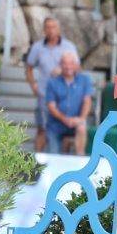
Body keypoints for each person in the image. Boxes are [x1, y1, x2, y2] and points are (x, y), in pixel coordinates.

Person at [25, 17, 79, 152]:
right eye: (48, 27)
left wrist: (63, 70)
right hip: (44, 95)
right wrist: (33, 85)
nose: (51, 30)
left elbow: (78, 68)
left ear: (59, 29)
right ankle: (36, 162)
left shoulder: (69, 46)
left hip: (64, 96)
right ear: (44, 30)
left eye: (54, 27)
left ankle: (62, 162)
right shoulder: (37, 47)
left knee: (64, 131)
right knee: (42, 129)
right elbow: (29, 67)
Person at [44, 52, 95, 156]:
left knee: (82, 126)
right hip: (56, 124)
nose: (68, 67)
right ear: (60, 65)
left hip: (76, 121)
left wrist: (81, 118)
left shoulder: (85, 80)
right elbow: (51, 106)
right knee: (53, 157)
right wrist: (65, 119)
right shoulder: (52, 82)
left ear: (76, 65)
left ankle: (80, 158)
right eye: (65, 63)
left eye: (71, 63)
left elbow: (87, 101)